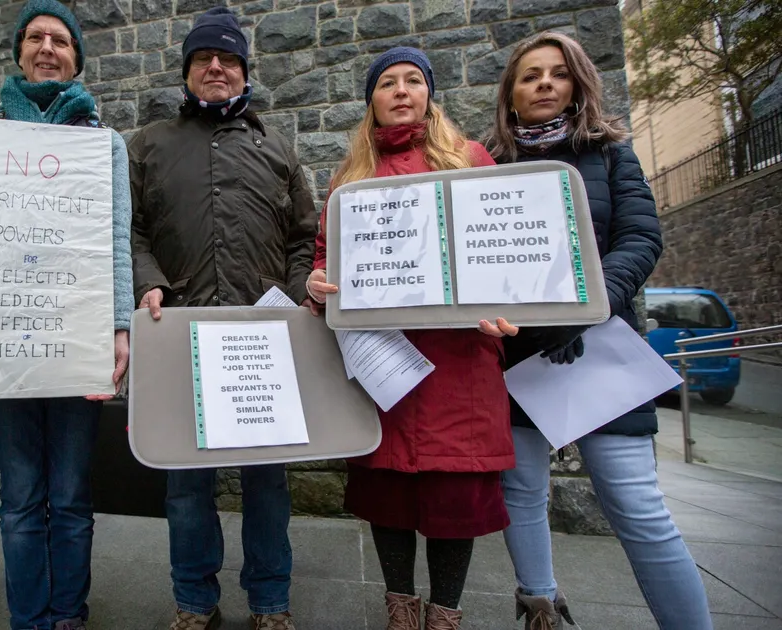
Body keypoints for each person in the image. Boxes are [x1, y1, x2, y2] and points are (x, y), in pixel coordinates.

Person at [0, 1, 132, 629]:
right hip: (4, 339)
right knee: (20, 497)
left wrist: (119, 327)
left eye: (60, 40)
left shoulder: (103, 144)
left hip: (74, 339)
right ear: (19, 53)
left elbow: (116, 239)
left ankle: (69, 614)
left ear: (76, 59)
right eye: (35, 37)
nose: (47, 48)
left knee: (70, 496)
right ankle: (29, 619)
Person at [484, 32, 712, 630]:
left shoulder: (611, 155)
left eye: (558, 73)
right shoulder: (487, 165)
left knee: (637, 506)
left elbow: (640, 239)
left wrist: (590, 305)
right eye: (530, 75)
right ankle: (540, 608)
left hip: (599, 346)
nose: (544, 83)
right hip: (517, 355)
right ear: (510, 92)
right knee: (522, 492)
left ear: (577, 84)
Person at [305, 47, 519, 630]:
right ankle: (400, 611)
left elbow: (499, 248)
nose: (401, 90)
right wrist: (317, 283)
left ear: (429, 95)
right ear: (371, 101)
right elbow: (325, 255)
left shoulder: (470, 160)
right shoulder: (349, 179)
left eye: (413, 81)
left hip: (459, 366)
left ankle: (444, 617)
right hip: (384, 364)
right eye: (388, 83)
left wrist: (504, 304)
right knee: (389, 496)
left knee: (455, 499)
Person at [128, 7, 318, 630]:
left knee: (268, 484)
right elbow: (129, 230)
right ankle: (194, 603)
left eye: (229, 59)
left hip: (262, 341)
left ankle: (270, 603)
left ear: (244, 72)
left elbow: (303, 238)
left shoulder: (278, 149)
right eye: (204, 59)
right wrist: (149, 281)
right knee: (186, 488)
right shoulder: (149, 145)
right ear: (187, 72)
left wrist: (298, 292)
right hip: (180, 336)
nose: (216, 67)